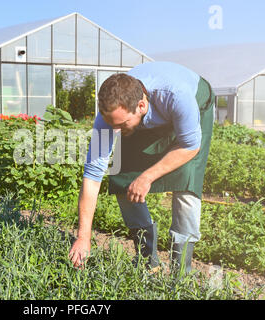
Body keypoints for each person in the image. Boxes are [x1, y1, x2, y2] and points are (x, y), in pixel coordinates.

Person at [69, 61, 215, 274]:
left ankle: (181, 272)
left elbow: (189, 146)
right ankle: (148, 261)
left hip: (192, 111)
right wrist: (83, 238)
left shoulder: (177, 95)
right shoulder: (110, 118)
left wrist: (146, 177)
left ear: (141, 106)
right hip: (146, 117)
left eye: (120, 125)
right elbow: (92, 175)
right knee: (121, 178)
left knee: (187, 184)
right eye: (112, 125)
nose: (115, 131)